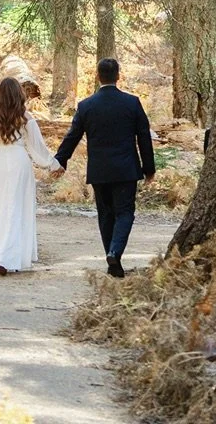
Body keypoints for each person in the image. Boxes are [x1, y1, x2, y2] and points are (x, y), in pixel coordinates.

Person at [55, 57, 155, 278]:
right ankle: (114, 252)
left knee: (105, 215)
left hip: (99, 171)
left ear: (98, 76)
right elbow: (144, 137)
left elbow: (73, 136)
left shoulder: (86, 106)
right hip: (126, 170)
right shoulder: (132, 103)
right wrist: (149, 169)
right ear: (118, 76)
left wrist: (61, 161)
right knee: (125, 212)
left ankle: (113, 261)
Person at [0, 76, 63, 275]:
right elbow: (37, 148)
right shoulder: (26, 117)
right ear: (19, 95)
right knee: (16, 208)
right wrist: (53, 165)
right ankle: (8, 257)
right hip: (19, 163)